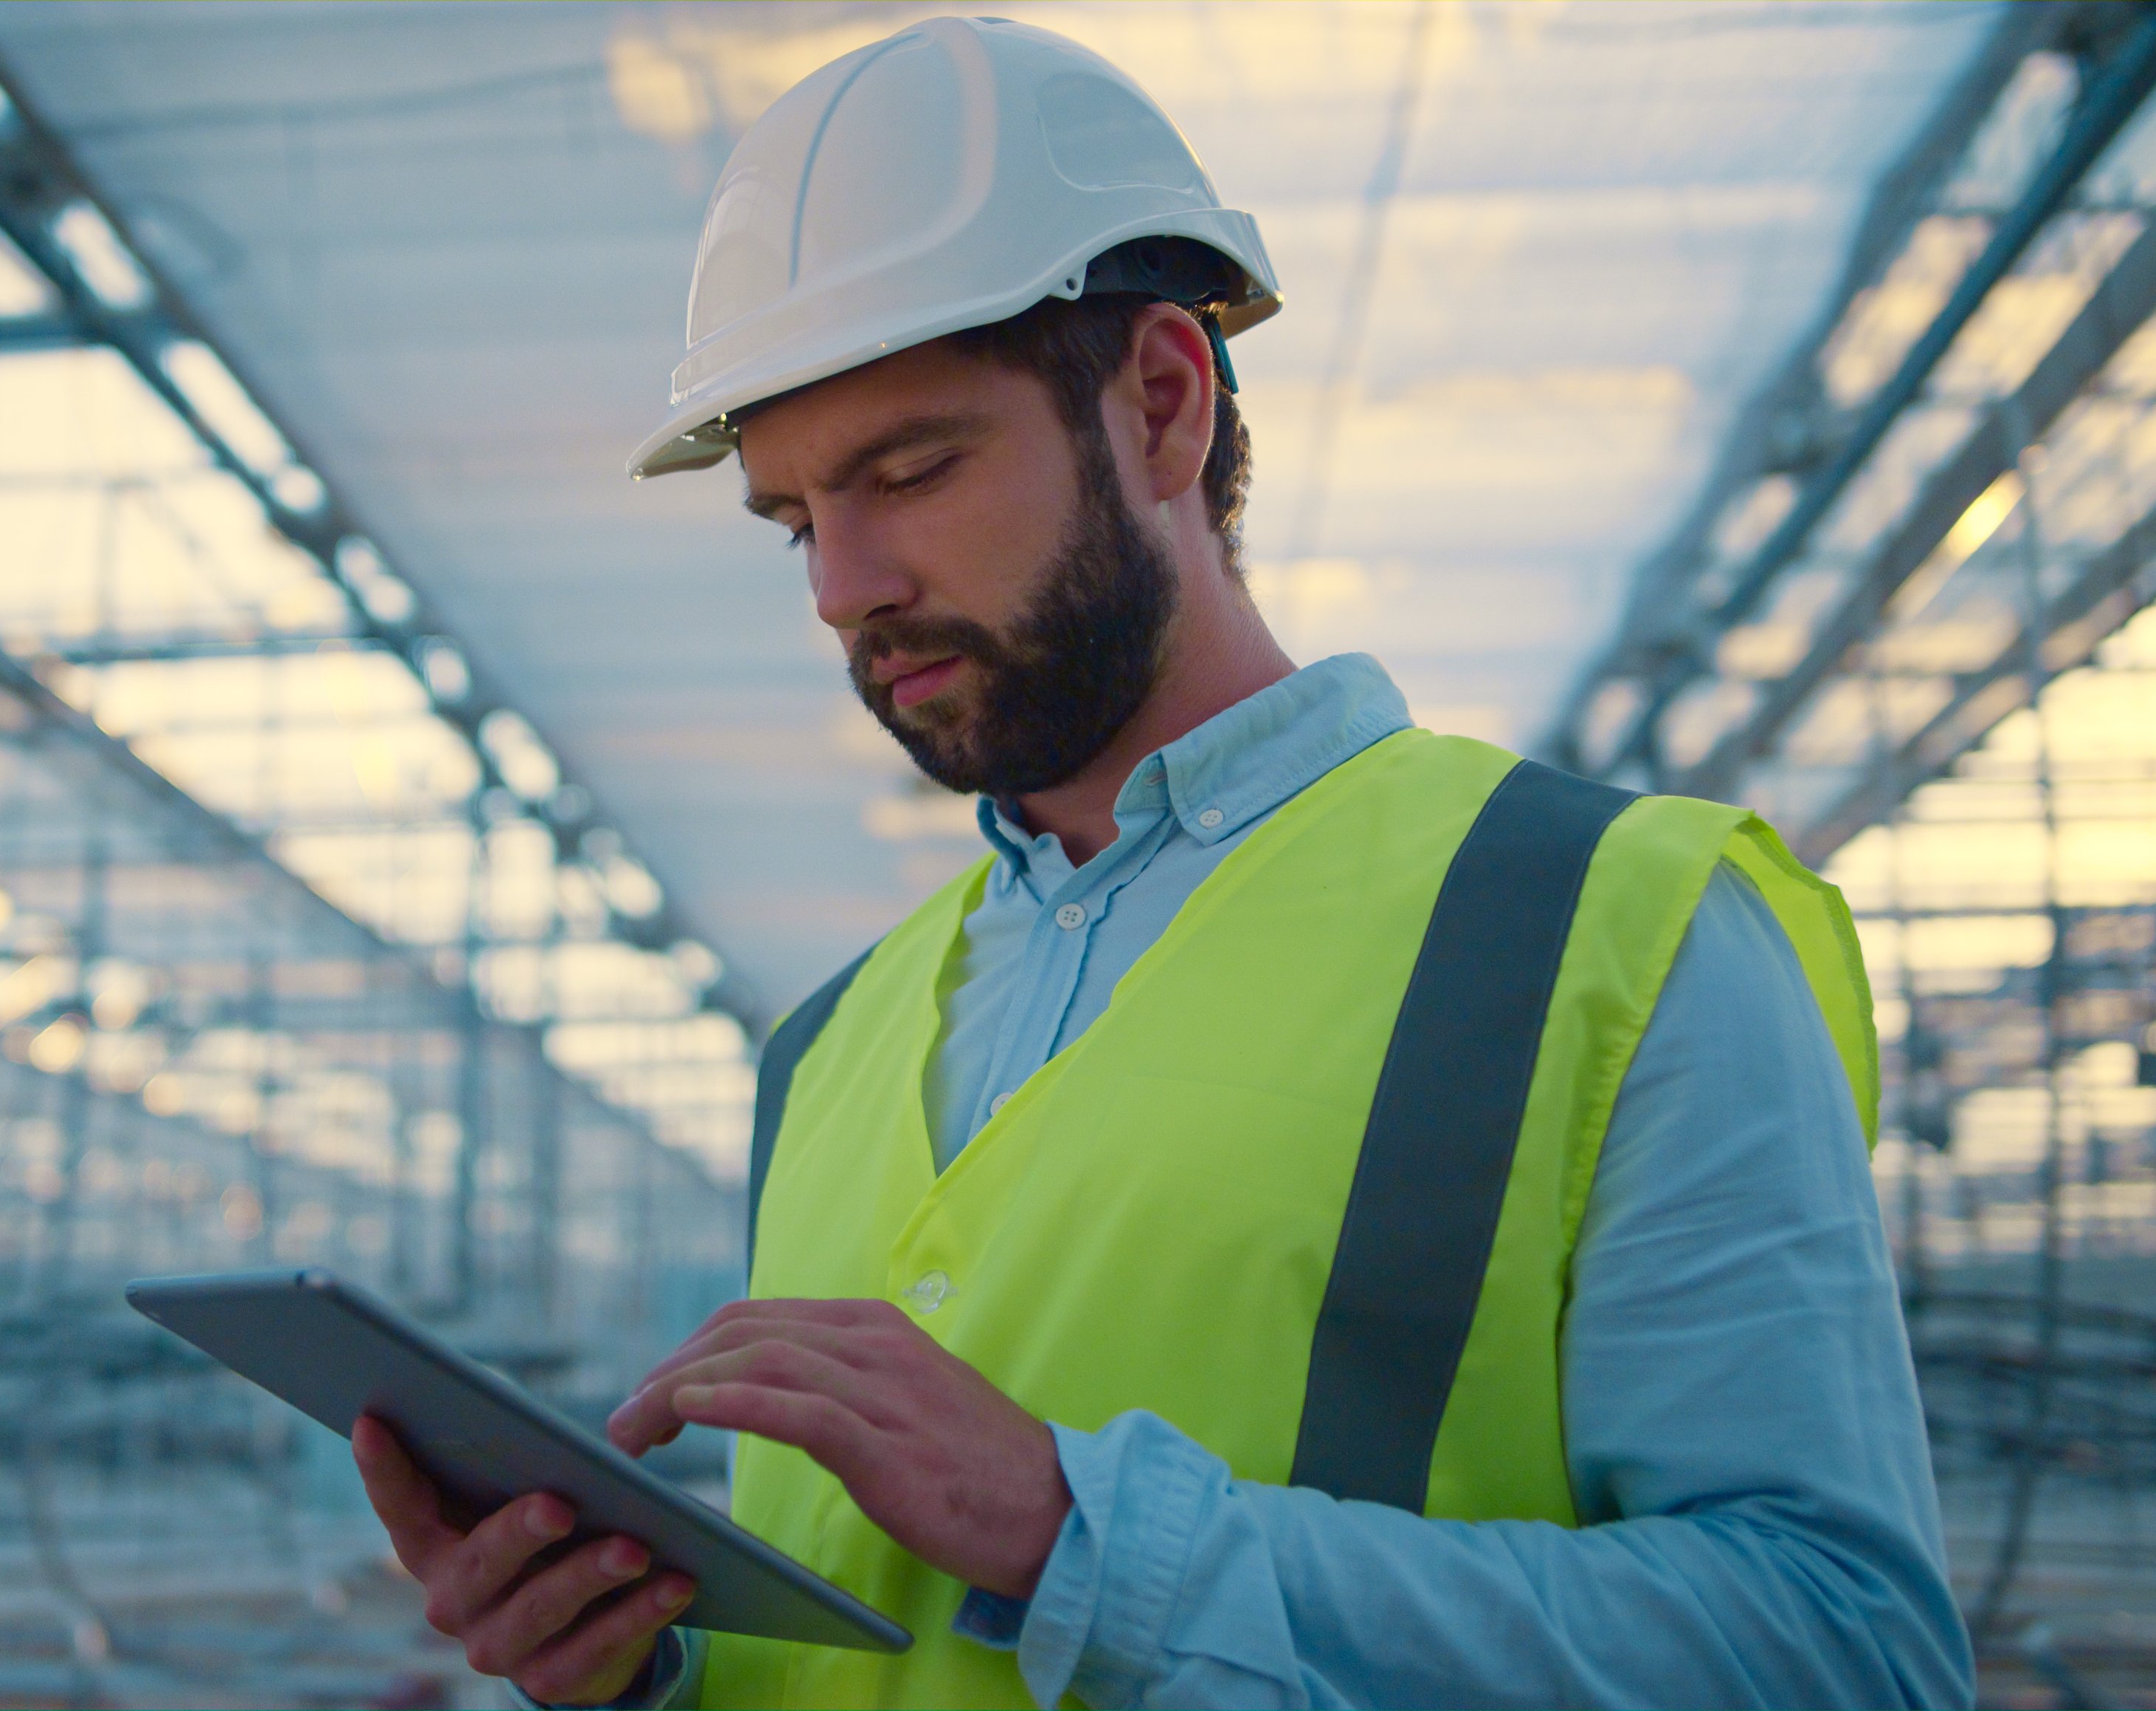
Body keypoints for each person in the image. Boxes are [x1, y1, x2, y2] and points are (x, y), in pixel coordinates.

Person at [351, 17, 1971, 1710]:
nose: (841, 585)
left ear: (1160, 404)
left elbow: (1839, 1650)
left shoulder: (1606, 930)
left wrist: (1084, 1535)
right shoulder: (825, 1051)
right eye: (792, 518)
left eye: (908, 471)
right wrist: (642, 1679)